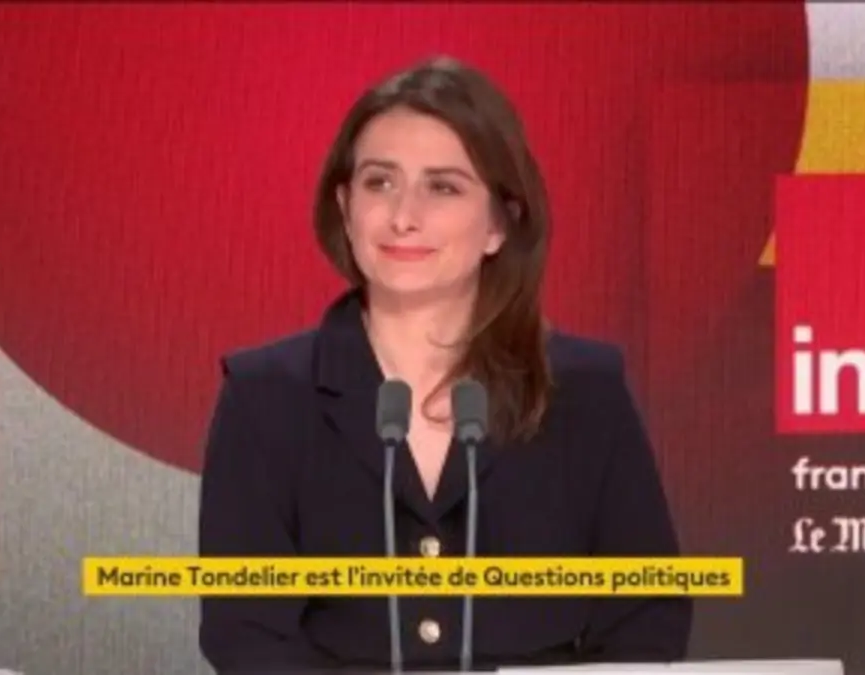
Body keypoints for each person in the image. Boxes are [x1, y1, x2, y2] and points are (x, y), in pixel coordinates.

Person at [197, 55, 691, 673]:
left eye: (443, 187)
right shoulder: (264, 397)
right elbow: (245, 634)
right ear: (345, 208)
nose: (404, 216)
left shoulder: (586, 391)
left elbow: (646, 614)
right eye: (380, 183)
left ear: (500, 224)